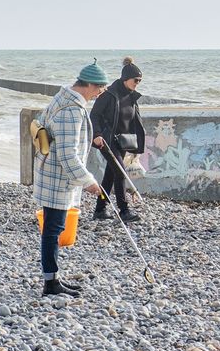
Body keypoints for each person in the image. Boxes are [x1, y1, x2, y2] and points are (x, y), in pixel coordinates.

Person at [32, 60, 109, 296]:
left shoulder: (62, 99)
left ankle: (53, 278)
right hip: (57, 177)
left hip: (51, 171)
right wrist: (89, 182)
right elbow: (68, 154)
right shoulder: (72, 111)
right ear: (87, 85)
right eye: (99, 88)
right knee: (53, 230)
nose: (99, 93)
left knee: (53, 229)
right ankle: (51, 283)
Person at [90, 57, 148, 223]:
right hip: (107, 141)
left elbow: (134, 120)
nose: (138, 83)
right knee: (120, 172)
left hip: (122, 141)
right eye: (136, 80)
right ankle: (124, 210)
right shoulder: (108, 95)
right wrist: (97, 135)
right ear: (125, 78)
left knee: (111, 174)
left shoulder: (132, 97)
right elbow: (94, 116)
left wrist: (137, 145)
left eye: (140, 81)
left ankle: (100, 209)